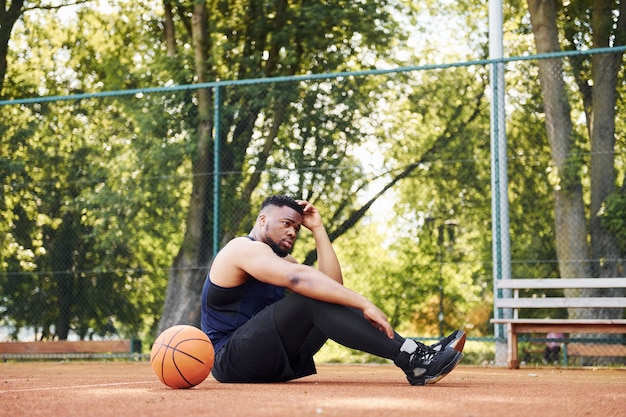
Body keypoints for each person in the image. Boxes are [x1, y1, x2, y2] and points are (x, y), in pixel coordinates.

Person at [201, 195, 465, 386]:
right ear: (262, 219)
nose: (293, 231)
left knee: (321, 293)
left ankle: (415, 352)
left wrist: (317, 228)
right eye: (286, 223)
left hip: (270, 355)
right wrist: (364, 303)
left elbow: (332, 286)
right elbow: (297, 279)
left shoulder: (280, 261)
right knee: (309, 297)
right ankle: (413, 358)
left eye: (296, 227)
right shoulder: (242, 248)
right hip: (230, 359)